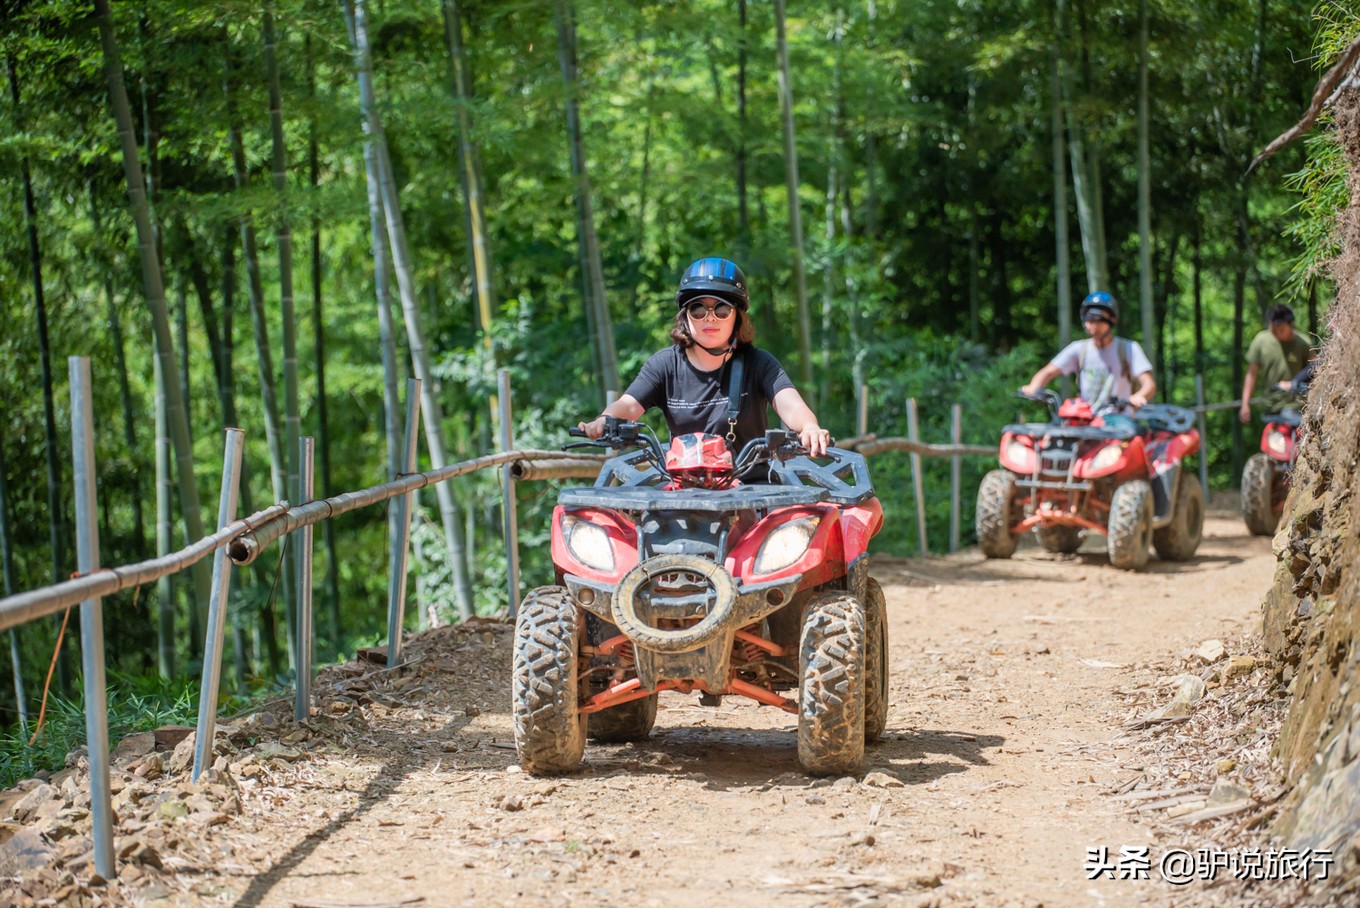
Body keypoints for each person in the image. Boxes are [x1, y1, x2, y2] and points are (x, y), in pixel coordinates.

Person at [577, 256, 831, 460]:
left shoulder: (759, 363)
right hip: (682, 490)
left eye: (721, 309)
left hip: (751, 490)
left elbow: (792, 405)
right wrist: (604, 420)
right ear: (685, 316)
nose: (710, 317)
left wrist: (809, 427)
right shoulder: (664, 364)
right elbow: (629, 405)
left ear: (737, 316)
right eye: (698, 309)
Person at [1020, 291, 1156, 412]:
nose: (1093, 324)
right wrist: (1034, 386)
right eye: (1088, 318)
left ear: (1112, 319)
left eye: (1098, 318)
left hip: (1119, 421)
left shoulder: (1129, 348)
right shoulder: (1078, 349)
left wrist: (1139, 396)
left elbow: (1149, 384)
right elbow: (1047, 372)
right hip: (1084, 419)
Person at [1238, 304, 1315, 424]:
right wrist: (1245, 404)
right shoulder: (1261, 341)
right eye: (1273, 330)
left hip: (1296, 409)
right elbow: (1251, 375)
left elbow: (1316, 370)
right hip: (1270, 408)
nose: (1277, 334)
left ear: (1291, 325)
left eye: (1281, 330)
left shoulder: (1303, 344)